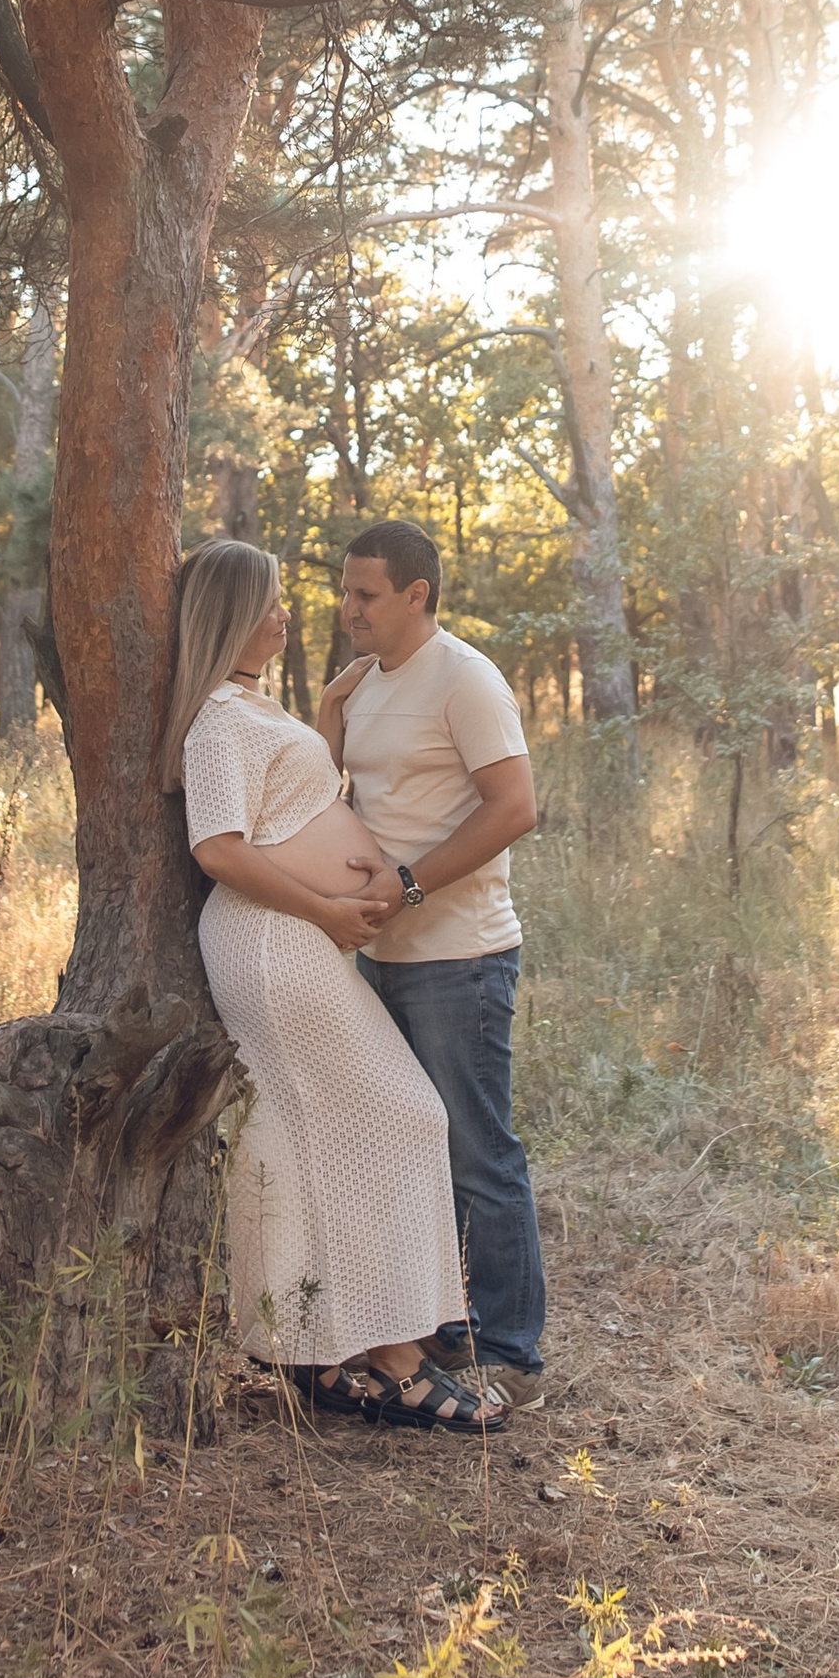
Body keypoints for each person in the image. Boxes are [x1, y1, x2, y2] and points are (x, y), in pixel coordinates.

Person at [165, 538, 499, 1432]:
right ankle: (395, 1357)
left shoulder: (250, 708)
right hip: (276, 945)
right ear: (229, 617)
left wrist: (321, 717)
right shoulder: (218, 722)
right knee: (400, 1115)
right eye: (270, 603)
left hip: (293, 941)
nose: (288, 615)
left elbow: (297, 807)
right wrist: (322, 910)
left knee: (298, 1136)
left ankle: (317, 1351)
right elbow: (218, 849)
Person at [322, 522, 547, 1401]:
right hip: (382, 955)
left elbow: (515, 806)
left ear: (418, 595)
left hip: (460, 958)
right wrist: (331, 716)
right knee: (408, 1150)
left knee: (478, 1155)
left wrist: (408, 884)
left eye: (366, 595)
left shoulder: (467, 680)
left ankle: (514, 1353)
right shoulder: (370, 682)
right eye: (345, 592)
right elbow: (342, 787)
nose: (349, 610)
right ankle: (442, 1328)